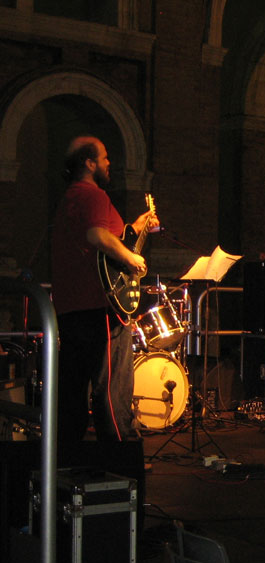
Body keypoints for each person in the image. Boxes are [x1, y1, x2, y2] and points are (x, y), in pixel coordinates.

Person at [51, 136, 158, 448]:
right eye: (105, 157)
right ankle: (120, 455)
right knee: (111, 387)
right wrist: (132, 258)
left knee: (73, 388)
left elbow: (104, 239)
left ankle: (66, 458)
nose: (109, 163)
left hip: (71, 308)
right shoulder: (94, 195)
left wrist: (136, 228)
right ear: (90, 163)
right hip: (100, 307)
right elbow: (97, 235)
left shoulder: (70, 198)